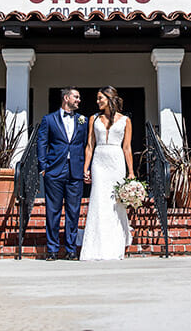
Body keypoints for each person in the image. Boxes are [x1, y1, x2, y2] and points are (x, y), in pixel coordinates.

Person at [80, 86, 134, 261]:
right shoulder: (93, 119)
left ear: (110, 98)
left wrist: (131, 172)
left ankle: (115, 244)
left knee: (115, 203)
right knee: (98, 200)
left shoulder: (125, 120)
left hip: (116, 161)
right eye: (97, 98)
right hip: (99, 162)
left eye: (100, 98)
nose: (97, 102)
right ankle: (95, 247)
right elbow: (90, 145)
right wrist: (86, 168)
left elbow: (127, 148)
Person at [36, 86, 88, 260]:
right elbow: (42, 143)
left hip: (75, 170)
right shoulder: (49, 119)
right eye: (76, 97)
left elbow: (87, 145)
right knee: (53, 210)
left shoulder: (83, 120)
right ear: (66, 98)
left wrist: (86, 168)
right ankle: (52, 249)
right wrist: (43, 167)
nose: (79, 100)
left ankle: (71, 249)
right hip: (54, 170)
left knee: (73, 211)